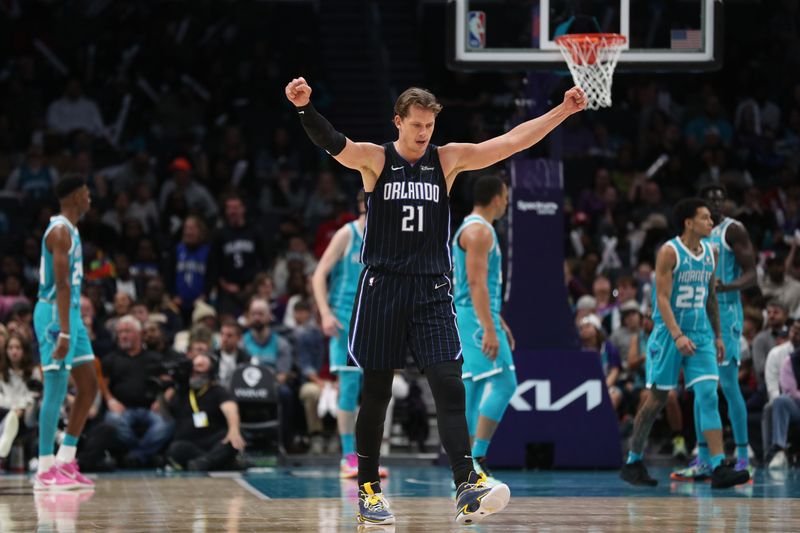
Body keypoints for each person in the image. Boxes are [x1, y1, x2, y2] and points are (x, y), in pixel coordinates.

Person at [286, 76, 587, 525]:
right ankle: (369, 490)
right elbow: (334, 143)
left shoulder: (446, 161)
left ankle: (467, 483)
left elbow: (509, 143)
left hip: (430, 289)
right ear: (398, 122)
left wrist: (562, 111)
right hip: (383, 287)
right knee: (376, 392)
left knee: (449, 384)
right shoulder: (375, 160)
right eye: (417, 125)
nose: (424, 133)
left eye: (429, 125)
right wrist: (306, 108)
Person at [619, 198, 748, 489]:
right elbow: (662, 299)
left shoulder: (711, 252)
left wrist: (717, 335)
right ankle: (633, 461)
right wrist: (677, 335)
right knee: (657, 400)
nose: (711, 223)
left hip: (700, 332)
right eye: (704, 218)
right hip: (668, 333)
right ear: (689, 222)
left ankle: (717, 467)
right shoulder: (669, 252)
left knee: (708, 394)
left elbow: (711, 298)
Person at [672, 184, 758, 481]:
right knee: (700, 388)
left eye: (722, 200)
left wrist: (727, 286)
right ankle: (704, 458)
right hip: (698, 315)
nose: (717, 205)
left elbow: (752, 273)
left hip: (727, 312)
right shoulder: (689, 242)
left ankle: (744, 456)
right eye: (711, 201)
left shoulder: (733, 231)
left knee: (729, 385)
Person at [32, 174, 98, 490]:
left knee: (89, 384)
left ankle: (65, 459)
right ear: (74, 197)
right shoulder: (59, 232)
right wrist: (65, 332)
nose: (90, 199)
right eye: (86, 194)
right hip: (53, 315)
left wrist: (73, 324)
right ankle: (45, 468)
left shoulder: (71, 229)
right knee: (56, 390)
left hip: (69, 312)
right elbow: (59, 285)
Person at [451, 175, 516, 483]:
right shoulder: (478, 231)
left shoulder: (478, 228)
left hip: (477, 315)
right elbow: (475, 284)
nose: (507, 202)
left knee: (484, 387)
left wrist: (497, 320)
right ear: (495, 198)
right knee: (493, 385)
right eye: (505, 196)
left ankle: (470, 462)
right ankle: (472, 460)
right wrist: (489, 327)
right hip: (474, 318)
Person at [311, 190, 370, 477]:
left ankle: (367, 455)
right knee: (347, 387)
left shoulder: (387, 234)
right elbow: (318, 273)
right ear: (361, 204)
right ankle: (348, 456)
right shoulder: (347, 234)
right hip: (344, 319)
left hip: (373, 321)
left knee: (374, 390)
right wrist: (324, 312)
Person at [165, 354, 245, 471]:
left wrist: (234, 430)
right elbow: (164, 408)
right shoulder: (182, 390)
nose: (196, 370)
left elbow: (231, 409)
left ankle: (206, 462)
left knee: (232, 440)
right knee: (175, 448)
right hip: (191, 443)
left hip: (214, 440)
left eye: (201, 366)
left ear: (210, 371)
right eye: (194, 366)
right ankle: (217, 463)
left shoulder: (217, 390)